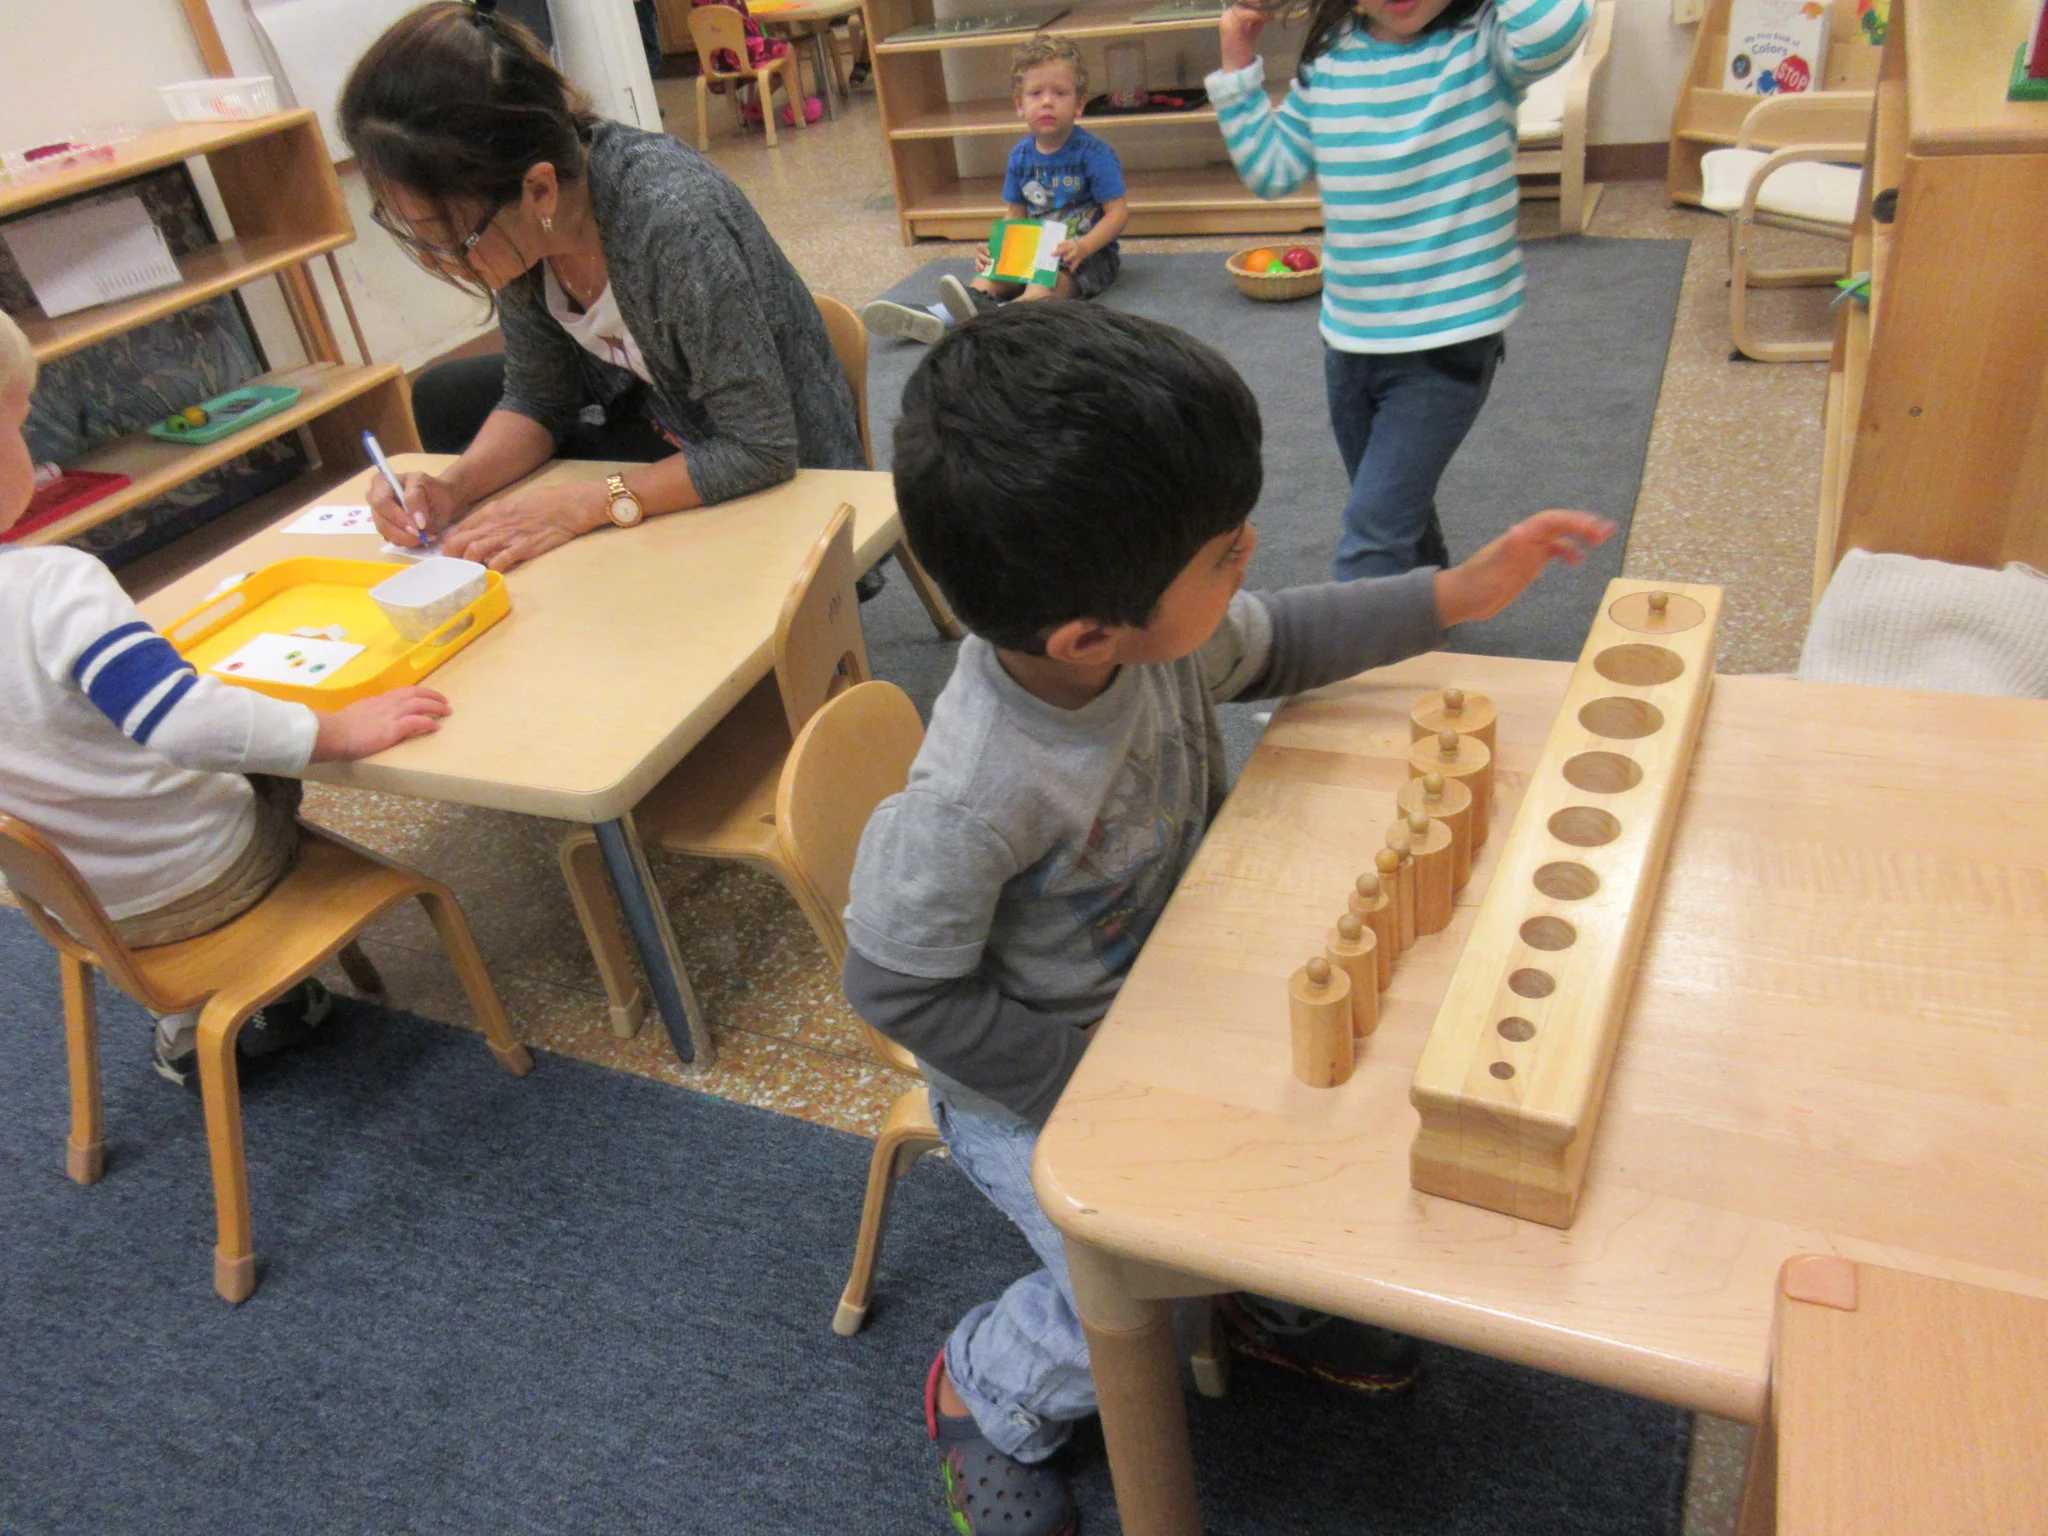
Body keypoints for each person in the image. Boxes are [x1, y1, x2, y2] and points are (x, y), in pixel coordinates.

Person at [841, 303, 1613, 1534]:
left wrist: (1453, 595)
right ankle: (989, 1382)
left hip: (1179, 982)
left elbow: (1284, 635)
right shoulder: (976, 792)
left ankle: (1259, 1296)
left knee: (1354, 1103)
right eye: (1219, 553)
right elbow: (898, 990)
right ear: (1090, 633)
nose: (1247, 552)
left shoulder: (1150, 643)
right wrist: (1086, 1086)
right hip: (1036, 1081)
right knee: (1132, 1287)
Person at [0, 313, 452, 1084]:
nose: (37, 457)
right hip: (205, 879)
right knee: (269, 763)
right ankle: (273, 986)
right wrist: (333, 729)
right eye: (16, 426)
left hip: (85, 913)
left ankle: (180, 1020)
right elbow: (182, 723)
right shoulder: (52, 587)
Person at [340, 0, 864, 573]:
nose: (442, 262)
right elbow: (542, 395)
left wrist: (589, 503)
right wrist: (453, 488)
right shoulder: (527, 223)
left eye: (449, 241)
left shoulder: (671, 220)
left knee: (570, 545)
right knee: (446, 397)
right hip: (658, 418)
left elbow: (761, 448)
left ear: (539, 191)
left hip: (765, 455)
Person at [1209, 0, 1592, 579]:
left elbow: (1558, 26)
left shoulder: (1483, 43)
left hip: (1447, 348)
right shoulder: (1332, 56)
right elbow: (1273, 170)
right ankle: (1427, 608)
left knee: (1372, 533)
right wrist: (1238, 63)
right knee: (1392, 503)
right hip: (1351, 341)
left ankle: (1358, 651)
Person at [862, 36, 1128, 345]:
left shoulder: (1095, 154)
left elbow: (1118, 214)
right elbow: (1015, 212)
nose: (1047, 101)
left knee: (1047, 287)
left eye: (1060, 93)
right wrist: (995, 248)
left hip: (1086, 255)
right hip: (1034, 245)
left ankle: (1001, 317)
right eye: (1035, 93)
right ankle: (939, 315)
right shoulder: (1020, 155)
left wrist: (1084, 246)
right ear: (1019, 104)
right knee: (989, 277)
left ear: (1079, 104)